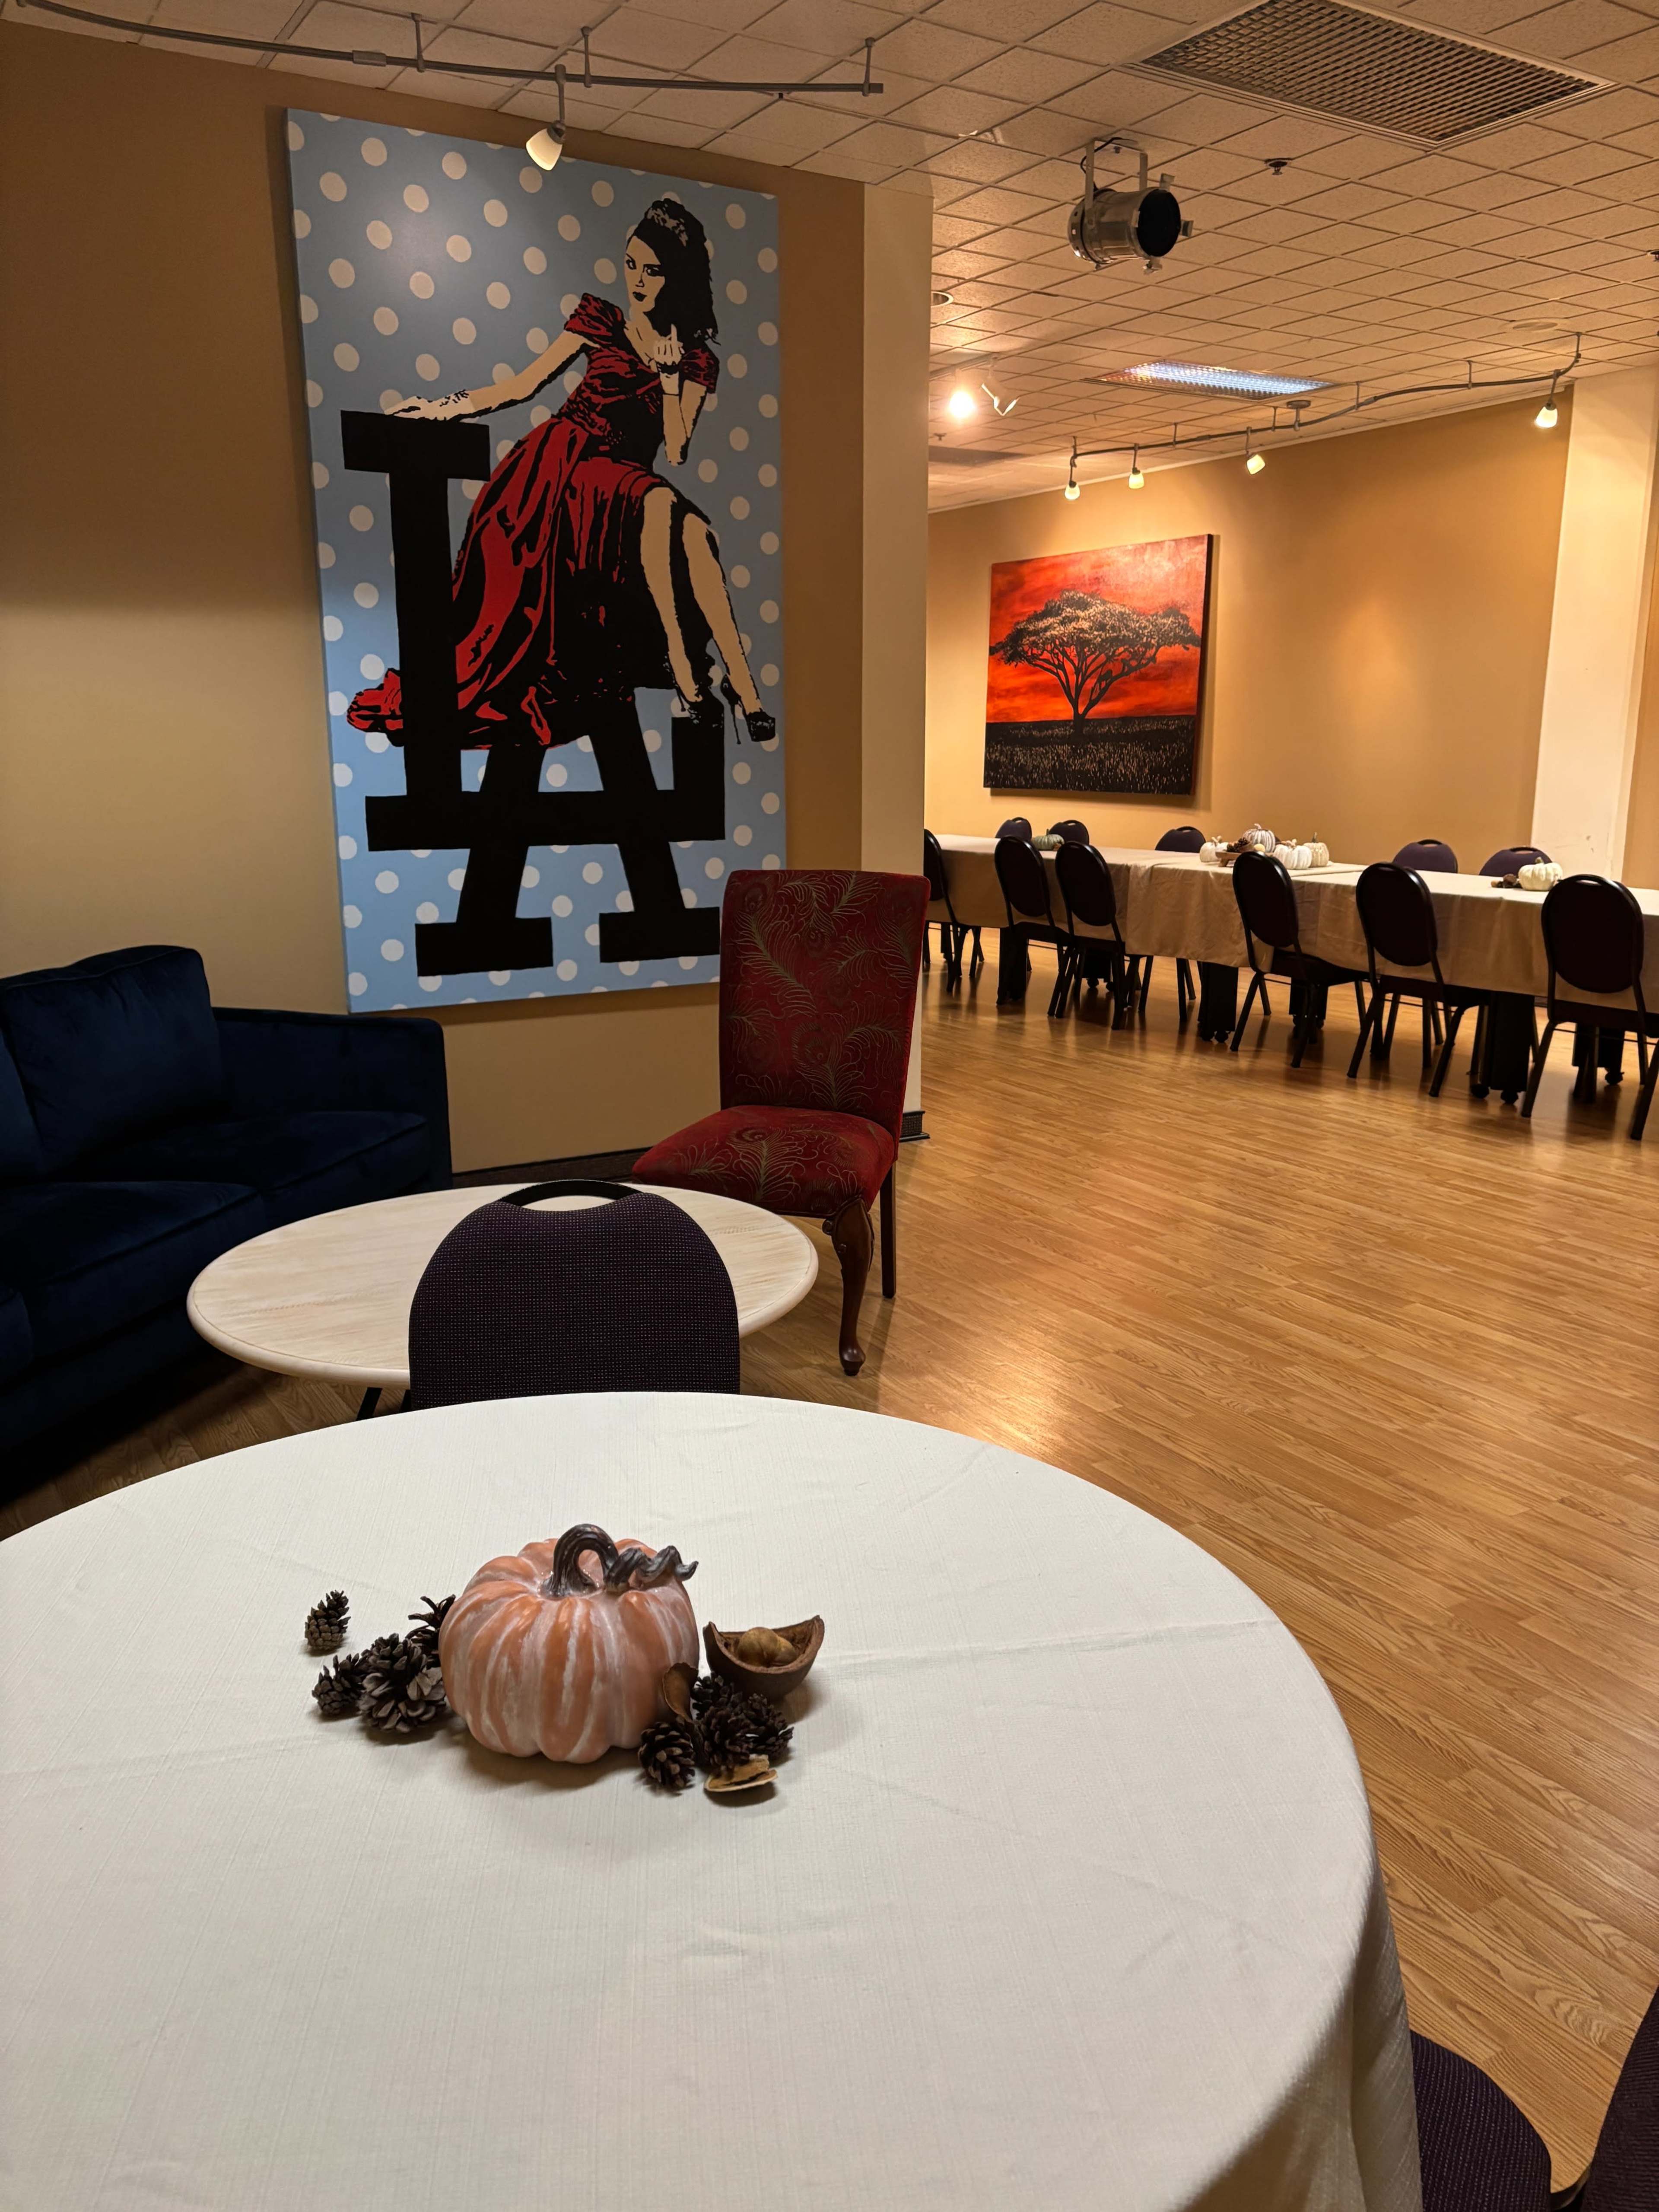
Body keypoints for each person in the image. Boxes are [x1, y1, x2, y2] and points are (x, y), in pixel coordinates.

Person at [348, 195, 774, 750]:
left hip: (628, 483)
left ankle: (746, 689)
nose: (638, 281)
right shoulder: (602, 322)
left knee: (697, 535)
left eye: (653, 270)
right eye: (632, 265)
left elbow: (674, 449)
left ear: (678, 278)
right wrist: (446, 406)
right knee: (664, 506)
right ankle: (684, 666)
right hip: (564, 470)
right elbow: (524, 385)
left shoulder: (693, 360)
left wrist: (669, 379)